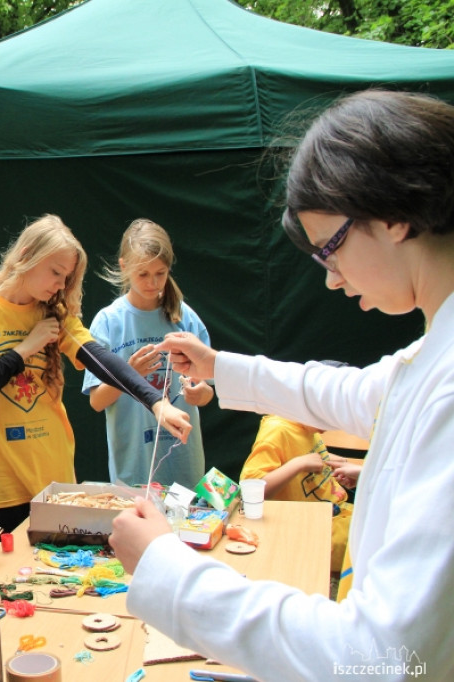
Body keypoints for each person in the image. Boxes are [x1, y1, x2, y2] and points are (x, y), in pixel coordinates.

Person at [109, 90, 454, 680]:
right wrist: (218, 366)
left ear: (394, 216)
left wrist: (167, 570)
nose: (332, 279)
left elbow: (382, 655)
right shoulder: (431, 355)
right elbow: (353, 393)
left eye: (330, 249)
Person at [0, 214, 192, 533]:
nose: (61, 285)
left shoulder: (55, 314)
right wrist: (24, 350)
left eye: (67, 277)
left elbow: (101, 359)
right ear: (27, 255)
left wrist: (155, 402)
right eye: (56, 272)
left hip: (53, 476)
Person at [83, 219, 213, 488]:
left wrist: (199, 393)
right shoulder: (108, 322)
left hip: (183, 466)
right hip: (133, 468)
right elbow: (96, 401)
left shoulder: (186, 318)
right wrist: (128, 374)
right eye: (143, 274)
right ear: (124, 266)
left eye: (160, 273)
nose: (153, 283)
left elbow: (207, 392)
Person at [241, 407, 360, 574]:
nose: (331, 426)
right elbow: (252, 488)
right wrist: (298, 464)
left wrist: (335, 461)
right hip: (308, 528)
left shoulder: (308, 426)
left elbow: (305, 451)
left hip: (335, 512)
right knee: (370, 538)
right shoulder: (277, 431)